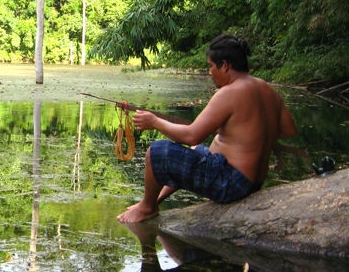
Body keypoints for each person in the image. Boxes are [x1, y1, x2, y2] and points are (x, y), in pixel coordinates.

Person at [117, 34, 297, 223]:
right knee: (196, 151)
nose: (210, 72)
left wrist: (154, 122)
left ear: (225, 65)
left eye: (211, 66)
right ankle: (155, 200)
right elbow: (289, 130)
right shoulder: (267, 88)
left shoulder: (229, 93)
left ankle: (147, 208)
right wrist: (246, 134)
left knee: (157, 152)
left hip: (231, 184)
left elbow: (191, 136)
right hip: (254, 182)